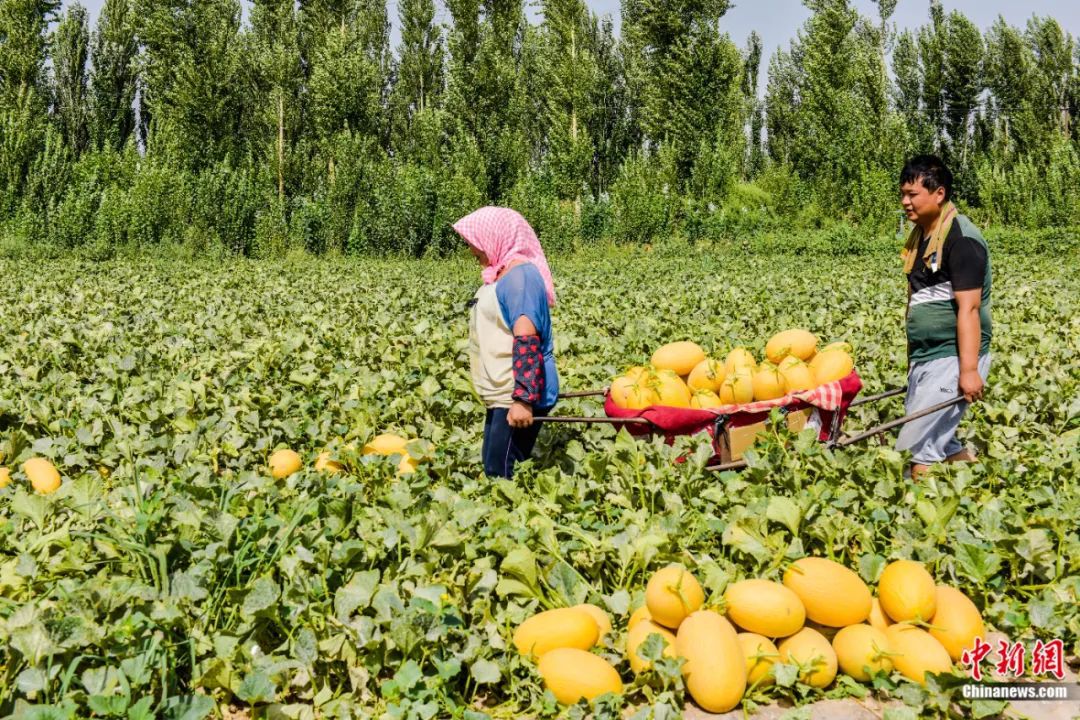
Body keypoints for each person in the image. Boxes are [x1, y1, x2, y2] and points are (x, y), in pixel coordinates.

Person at [895, 156, 992, 480]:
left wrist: (969, 370)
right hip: (928, 357)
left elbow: (970, 308)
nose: (905, 202)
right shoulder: (921, 238)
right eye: (903, 194)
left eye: (913, 194)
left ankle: (916, 509)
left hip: (951, 356)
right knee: (944, 445)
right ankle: (989, 491)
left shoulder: (961, 239)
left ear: (939, 193)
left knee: (915, 450)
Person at [454, 207, 559, 478]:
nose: (471, 250)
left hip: (516, 392)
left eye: (474, 242)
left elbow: (527, 339)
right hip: (502, 392)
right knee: (493, 465)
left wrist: (523, 400)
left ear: (494, 237)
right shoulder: (501, 274)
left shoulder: (520, 278)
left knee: (501, 472)